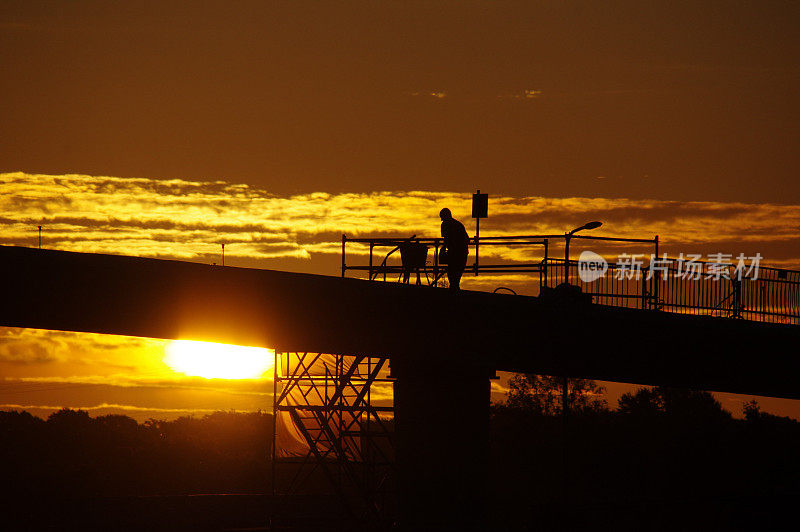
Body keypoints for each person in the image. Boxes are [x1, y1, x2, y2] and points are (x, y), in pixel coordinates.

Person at [439, 208, 470, 290]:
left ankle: (454, 290)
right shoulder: (458, 224)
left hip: (455, 252)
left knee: (452, 272)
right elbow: (467, 240)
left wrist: (443, 248)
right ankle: (455, 289)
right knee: (457, 272)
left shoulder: (445, 225)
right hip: (462, 252)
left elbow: (446, 239)